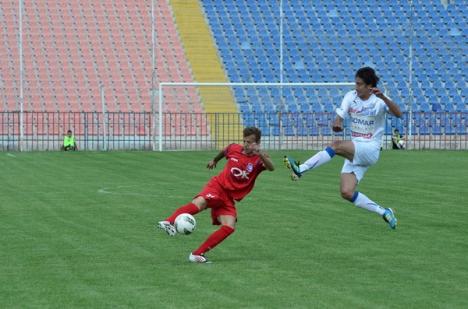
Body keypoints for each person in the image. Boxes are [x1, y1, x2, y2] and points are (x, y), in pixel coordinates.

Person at [284, 67, 402, 229]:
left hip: (370, 149)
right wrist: (337, 123)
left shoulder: (379, 100)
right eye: (356, 83)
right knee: (346, 192)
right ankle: (384, 212)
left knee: (336, 146)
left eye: (359, 84)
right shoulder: (350, 97)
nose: (356, 87)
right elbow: (339, 117)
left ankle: (301, 169)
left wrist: (384, 98)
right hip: (356, 149)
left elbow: (398, 114)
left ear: (369, 86)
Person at [157, 127, 275, 263]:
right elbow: (224, 151)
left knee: (229, 226)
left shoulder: (259, 158)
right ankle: (169, 221)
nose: (246, 144)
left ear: (257, 143)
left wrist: (260, 154)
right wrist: (215, 160)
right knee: (200, 203)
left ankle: (196, 254)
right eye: (245, 141)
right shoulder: (234, 148)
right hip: (217, 186)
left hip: (229, 197)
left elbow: (271, 168)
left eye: (249, 142)